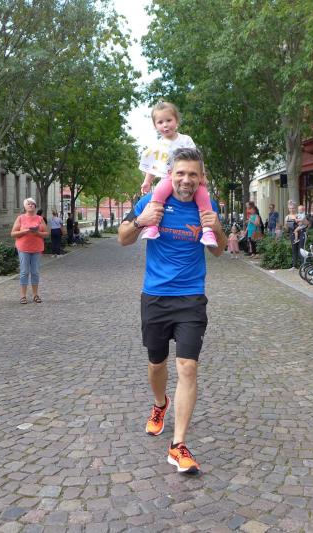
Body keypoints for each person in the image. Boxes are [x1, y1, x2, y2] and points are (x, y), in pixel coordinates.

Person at [118, 147, 225, 474]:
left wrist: (217, 228)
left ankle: (178, 446)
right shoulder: (152, 201)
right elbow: (123, 238)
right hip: (155, 296)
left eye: (193, 174)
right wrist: (141, 221)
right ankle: (159, 404)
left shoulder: (206, 205)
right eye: (181, 173)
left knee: (188, 367)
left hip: (191, 297)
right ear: (171, 175)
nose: (186, 180)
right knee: (157, 363)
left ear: (200, 178)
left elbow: (219, 251)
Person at [139, 101, 216, 247]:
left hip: (190, 175)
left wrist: (202, 176)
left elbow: (197, 159)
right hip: (168, 178)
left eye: (169, 120)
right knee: (158, 194)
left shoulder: (185, 140)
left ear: (177, 121)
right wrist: (147, 181)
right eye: (160, 122)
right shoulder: (156, 146)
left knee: (203, 196)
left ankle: (208, 232)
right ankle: (153, 226)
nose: (165, 125)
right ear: (155, 126)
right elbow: (153, 166)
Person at [11, 198, 47, 304]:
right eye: (28, 204)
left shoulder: (40, 219)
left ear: (35, 206)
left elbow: (46, 233)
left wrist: (37, 233)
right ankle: (23, 296)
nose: (31, 205)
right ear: (25, 207)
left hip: (37, 248)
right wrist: (24, 231)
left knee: (35, 272)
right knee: (24, 272)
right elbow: (13, 233)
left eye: (32, 204)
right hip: (23, 248)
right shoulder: (20, 218)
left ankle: (35, 295)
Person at [285, 201, 306, 269]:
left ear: (295, 208)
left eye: (293, 208)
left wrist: (303, 222)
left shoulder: (299, 215)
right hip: (292, 234)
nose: (292, 209)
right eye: (290, 208)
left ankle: (303, 266)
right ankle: (294, 266)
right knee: (294, 250)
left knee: (301, 250)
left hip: (301, 233)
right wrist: (286, 226)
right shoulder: (287, 217)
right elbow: (286, 228)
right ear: (288, 209)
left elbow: (307, 223)